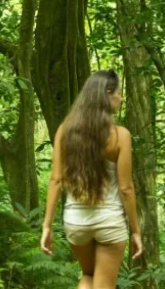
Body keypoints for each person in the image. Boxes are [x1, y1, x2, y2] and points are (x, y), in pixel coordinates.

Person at [41, 70, 143, 289]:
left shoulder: (65, 132)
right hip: (109, 221)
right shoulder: (120, 136)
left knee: (88, 276)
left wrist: (46, 226)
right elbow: (126, 188)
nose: (121, 98)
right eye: (118, 93)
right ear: (107, 94)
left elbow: (56, 180)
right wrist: (136, 231)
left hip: (76, 222)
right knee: (104, 284)